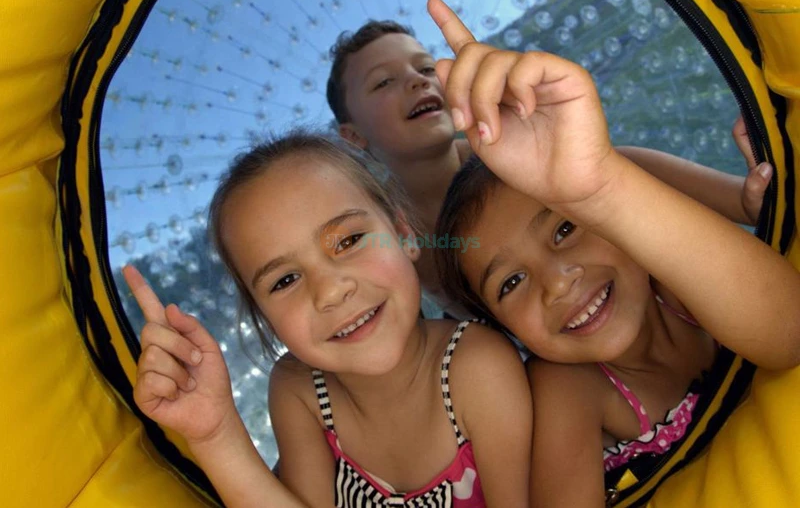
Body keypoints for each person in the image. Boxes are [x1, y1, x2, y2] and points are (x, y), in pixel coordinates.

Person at [427, 0, 800, 508]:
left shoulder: (677, 279)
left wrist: (601, 186)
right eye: (510, 284)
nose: (557, 283)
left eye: (564, 231)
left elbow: (791, 330)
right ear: (508, 331)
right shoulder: (568, 386)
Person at [123, 129, 532, 507]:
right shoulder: (299, 390)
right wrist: (214, 435)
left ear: (404, 233)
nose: (331, 291)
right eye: (285, 280)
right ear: (265, 319)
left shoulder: (478, 367)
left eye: (350, 241)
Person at [325, 20, 771, 318]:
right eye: (384, 82)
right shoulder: (382, 240)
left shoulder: (507, 146)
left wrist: (744, 200)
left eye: (425, 66)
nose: (418, 80)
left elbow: (616, 172)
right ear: (352, 137)